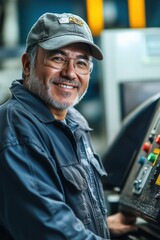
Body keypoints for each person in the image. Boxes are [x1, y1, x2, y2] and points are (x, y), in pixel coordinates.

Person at [0, 12, 137, 239]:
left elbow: (69, 206)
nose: (70, 73)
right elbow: (49, 231)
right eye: (57, 58)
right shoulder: (17, 130)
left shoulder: (72, 120)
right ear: (27, 65)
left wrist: (102, 224)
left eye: (81, 63)